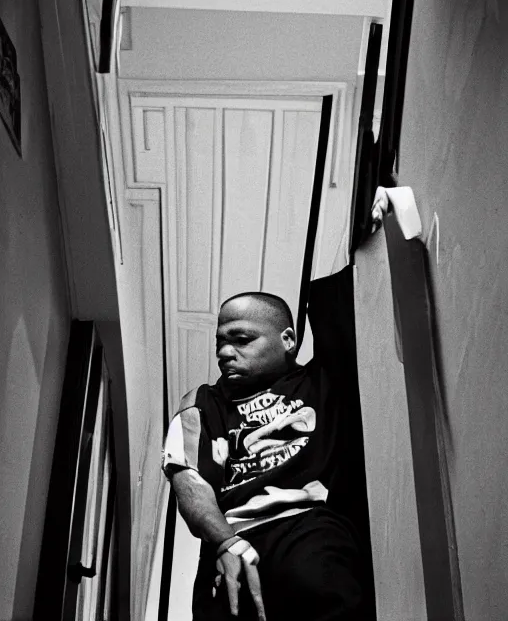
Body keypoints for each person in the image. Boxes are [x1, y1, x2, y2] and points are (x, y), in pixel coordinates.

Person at [162, 193, 388, 620]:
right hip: (231, 537)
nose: (225, 352)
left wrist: (375, 242)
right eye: (220, 342)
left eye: (241, 339)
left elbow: (355, 305)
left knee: (323, 588)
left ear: (287, 340)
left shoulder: (323, 381)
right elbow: (187, 480)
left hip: (309, 527)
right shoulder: (203, 401)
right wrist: (225, 542)